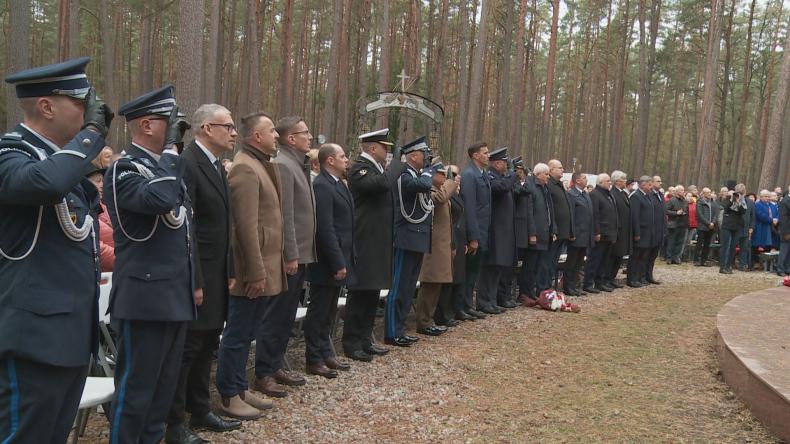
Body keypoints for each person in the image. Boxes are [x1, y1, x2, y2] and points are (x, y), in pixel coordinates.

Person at [0, 57, 112, 444]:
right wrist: (92, 132)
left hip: (69, 338)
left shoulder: (62, 163)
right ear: (47, 106)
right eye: (82, 103)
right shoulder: (11, 154)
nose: (91, 112)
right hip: (32, 341)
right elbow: (45, 185)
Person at [105, 85, 195, 444]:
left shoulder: (162, 168)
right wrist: (172, 153)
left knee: (161, 395)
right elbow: (159, 200)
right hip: (144, 298)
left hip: (173, 294)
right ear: (146, 125)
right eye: (169, 122)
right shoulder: (124, 169)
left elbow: (184, 230)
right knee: (136, 394)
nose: (176, 129)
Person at [166, 104, 241, 443]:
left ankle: (200, 409)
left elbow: (223, 225)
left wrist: (230, 268)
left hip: (216, 272)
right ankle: (174, 422)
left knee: (208, 341)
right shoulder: (188, 163)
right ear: (207, 129)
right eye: (228, 126)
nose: (234, 132)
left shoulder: (214, 165)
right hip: (198, 273)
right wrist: (194, 278)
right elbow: (187, 228)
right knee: (190, 347)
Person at [216, 111, 284, 420]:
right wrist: (255, 272)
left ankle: (241, 388)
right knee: (238, 333)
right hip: (251, 270)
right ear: (256, 136)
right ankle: (229, 395)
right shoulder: (244, 168)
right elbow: (244, 227)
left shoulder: (258, 164)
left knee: (248, 332)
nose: (277, 136)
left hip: (264, 265)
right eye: (271, 131)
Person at [254, 116, 316, 396]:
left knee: (287, 314)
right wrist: (291, 254)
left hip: (302, 253)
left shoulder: (298, 164)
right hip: (290, 256)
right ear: (291, 138)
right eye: (305, 133)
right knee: (276, 314)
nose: (311, 137)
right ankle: (264, 371)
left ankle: (276, 363)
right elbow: (286, 215)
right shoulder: (284, 165)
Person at [342, 128, 401, 362]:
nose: (387, 153)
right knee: (360, 294)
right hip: (365, 240)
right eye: (385, 148)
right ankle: (351, 342)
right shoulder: (359, 168)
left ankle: (365, 339)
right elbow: (381, 185)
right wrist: (397, 163)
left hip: (378, 240)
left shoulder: (376, 169)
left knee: (372, 292)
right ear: (373, 148)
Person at [305, 143, 355, 376]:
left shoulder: (339, 184)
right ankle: (314, 358)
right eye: (342, 156)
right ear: (330, 161)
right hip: (326, 261)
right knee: (319, 311)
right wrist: (337, 261)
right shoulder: (322, 186)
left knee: (329, 311)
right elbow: (325, 229)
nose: (347, 160)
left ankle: (326, 353)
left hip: (339, 257)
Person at [386, 137, 438, 346]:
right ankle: (392, 332)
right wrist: (428, 171)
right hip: (406, 236)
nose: (427, 160)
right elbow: (425, 184)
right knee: (398, 287)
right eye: (424, 156)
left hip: (417, 236)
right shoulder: (404, 175)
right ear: (413, 156)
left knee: (408, 288)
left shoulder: (416, 173)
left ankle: (400, 328)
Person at [414, 161, 459, 335]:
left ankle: (428, 319)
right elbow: (439, 200)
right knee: (430, 284)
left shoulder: (440, 190)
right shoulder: (429, 191)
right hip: (432, 247)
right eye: (442, 174)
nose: (446, 178)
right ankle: (423, 321)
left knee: (436, 284)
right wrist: (451, 183)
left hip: (441, 246)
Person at [478, 147, 518, 313]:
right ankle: (483, 301)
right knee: (489, 267)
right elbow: (501, 188)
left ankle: (492, 300)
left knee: (498, 267)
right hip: (494, 230)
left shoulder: (502, 177)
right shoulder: (491, 176)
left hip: (504, 231)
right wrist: (513, 174)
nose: (506, 166)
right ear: (496, 163)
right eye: (504, 162)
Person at [458, 142, 491, 320]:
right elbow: (470, 208)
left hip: (482, 230)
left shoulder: (482, 174)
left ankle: (467, 305)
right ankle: (462, 306)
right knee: (468, 271)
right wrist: (473, 237)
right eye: (485, 153)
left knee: (473, 273)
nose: (488, 156)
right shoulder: (469, 175)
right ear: (475, 155)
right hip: (474, 232)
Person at [519, 163, 555, 302]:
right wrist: (532, 233)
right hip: (535, 234)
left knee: (538, 266)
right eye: (546, 174)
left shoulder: (545, 188)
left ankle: (531, 291)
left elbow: (549, 210)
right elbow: (529, 212)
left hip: (545, 233)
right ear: (538, 174)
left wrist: (553, 229)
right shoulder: (531, 187)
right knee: (529, 266)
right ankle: (524, 293)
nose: (548, 176)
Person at [436, 165, 466, 325]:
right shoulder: (444, 191)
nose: (456, 177)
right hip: (447, 237)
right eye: (451, 174)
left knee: (457, 275)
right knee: (446, 278)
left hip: (458, 237)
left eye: (456, 174)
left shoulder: (456, 192)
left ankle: (452, 310)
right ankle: (442, 314)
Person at [584, 173, 618, 293]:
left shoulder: (608, 194)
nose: (610, 183)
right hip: (601, 233)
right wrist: (596, 232)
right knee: (594, 259)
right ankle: (588, 283)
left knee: (604, 260)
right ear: (600, 182)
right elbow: (595, 215)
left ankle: (600, 282)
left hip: (609, 233)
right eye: (607, 181)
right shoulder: (595, 194)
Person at [546, 160, 574, 288]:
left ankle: (549, 287)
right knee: (547, 262)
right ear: (551, 170)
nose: (563, 170)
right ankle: (544, 288)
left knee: (554, 262)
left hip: (563, 231)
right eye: (560, 167)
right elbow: (551, 209)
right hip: (554, 232)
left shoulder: (559, 185)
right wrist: (554, 229)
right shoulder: (549, 185)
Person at [565, 172, 593, 296]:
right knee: (571, 262)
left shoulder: (585, 194)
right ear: (577, 181)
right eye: (584, 178)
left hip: (585, 234)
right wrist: (571, 232)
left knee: (579, 262)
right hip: (576, 234)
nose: (586, 180)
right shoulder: (572, 194)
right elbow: (570, 215)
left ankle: (575, 286)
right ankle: (568, 287)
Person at [86, 166, 116, 272]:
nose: (102, 185)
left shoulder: (106, 208)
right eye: (97, 181)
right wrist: (126, 260)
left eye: (102, 181)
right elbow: (97, 248)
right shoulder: (84, 212)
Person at [628, 177, 655, 286]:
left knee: (643, 256)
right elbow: (635, 216)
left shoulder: (647, 196)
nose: (651, 186)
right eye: (649, 184)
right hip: (640, 232)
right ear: (642, 185)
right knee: (635, 256)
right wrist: (637, 233)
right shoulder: (636, 196)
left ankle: (639, 277)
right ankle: (632, 279)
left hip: (647, 232)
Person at [608, 170, 631, 288]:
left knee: (619, 256)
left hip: (624, 230)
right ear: (617, 181)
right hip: (617, 230)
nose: (626, 181)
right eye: (624, 179)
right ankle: (607, 278)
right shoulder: (612, 193)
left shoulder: (623, 193)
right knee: (613, 256)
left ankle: (612, 278)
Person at [719, 190, 747, 274]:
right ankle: (722, 266)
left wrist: (738, 202)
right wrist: (731, 200)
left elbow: (743, 212)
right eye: (733, 194)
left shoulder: (741, 202)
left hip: (737, 226)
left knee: (733, 247)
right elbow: (726, 209)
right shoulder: (726, 201)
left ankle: (728, 266)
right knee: (725, 246)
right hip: (727, 226)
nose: (735, 196)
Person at [646, 176, 666, 284]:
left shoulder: (660, 195)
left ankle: (649, 275)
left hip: (660, 230)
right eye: (658, 181)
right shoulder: (650, 194)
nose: (660, 183)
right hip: (651, 230)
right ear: (652, 183)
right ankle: (643, 275)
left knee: (653, 256)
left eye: (660, 181)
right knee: (647, 255)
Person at [665, 185, 689, 264]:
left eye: (683, 190)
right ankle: (669, 258)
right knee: (671, 241)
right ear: (677, 192)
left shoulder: (685, 201)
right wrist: (676, 213)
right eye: (681, 190)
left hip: (683, 224)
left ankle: (676, 257)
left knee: (680, 242)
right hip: (674, 224)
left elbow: (686, 210)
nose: (683, 192)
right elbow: (666, 211)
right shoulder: (672, 200)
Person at [735, 184, 755, 271]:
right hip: (735, 228)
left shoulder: (750, 202)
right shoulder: (733, 201)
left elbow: (753, 217)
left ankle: (742, 265)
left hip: (746, 229)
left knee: (744, 248)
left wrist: (751, 227)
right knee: (732, 247)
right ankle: (729, 263)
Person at [695, 188, 717, 266]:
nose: (709, 194)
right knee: (699, 243)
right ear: (703, 194)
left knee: (707, 244)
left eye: (710, 192)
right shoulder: (700, 202)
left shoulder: (713, 202)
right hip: (702, 226)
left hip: (711, 227)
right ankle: (696, 260)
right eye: (708, 193)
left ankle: (703, 260)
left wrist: (713, 223)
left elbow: (715, 214)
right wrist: (708, 223)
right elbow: (700, 215)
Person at [777, 188, 790, 276]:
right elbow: (783, 219)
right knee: (784, 250)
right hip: (787, 230)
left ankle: (787, 268)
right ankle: (780, 269)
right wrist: (786, 233)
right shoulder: (784, 202)